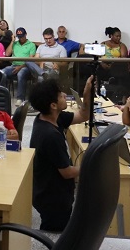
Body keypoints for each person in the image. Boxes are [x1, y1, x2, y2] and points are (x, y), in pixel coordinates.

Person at [29, 76, 93, 231]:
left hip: (51, 191)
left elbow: (83, 115)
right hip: (52, 198)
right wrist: (91, 166)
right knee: (55, 234)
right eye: (60, 95)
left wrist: (87, 94)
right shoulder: (50, 135)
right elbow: (67, 172)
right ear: (53, 105)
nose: (65, 95)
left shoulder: (50, 118)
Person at [2, 27, 36, 101]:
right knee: (2, 72)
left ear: (26, 34)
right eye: (19, 37)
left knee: (21, 73)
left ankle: (20, 99)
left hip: (26, 67)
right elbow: (7, 54)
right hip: (14, 66)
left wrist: (20, 67)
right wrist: (12, 41)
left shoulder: (31, 45)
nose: (21, 38)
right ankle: (2, 95)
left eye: (22, 36)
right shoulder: (14, 44)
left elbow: (30, 61)